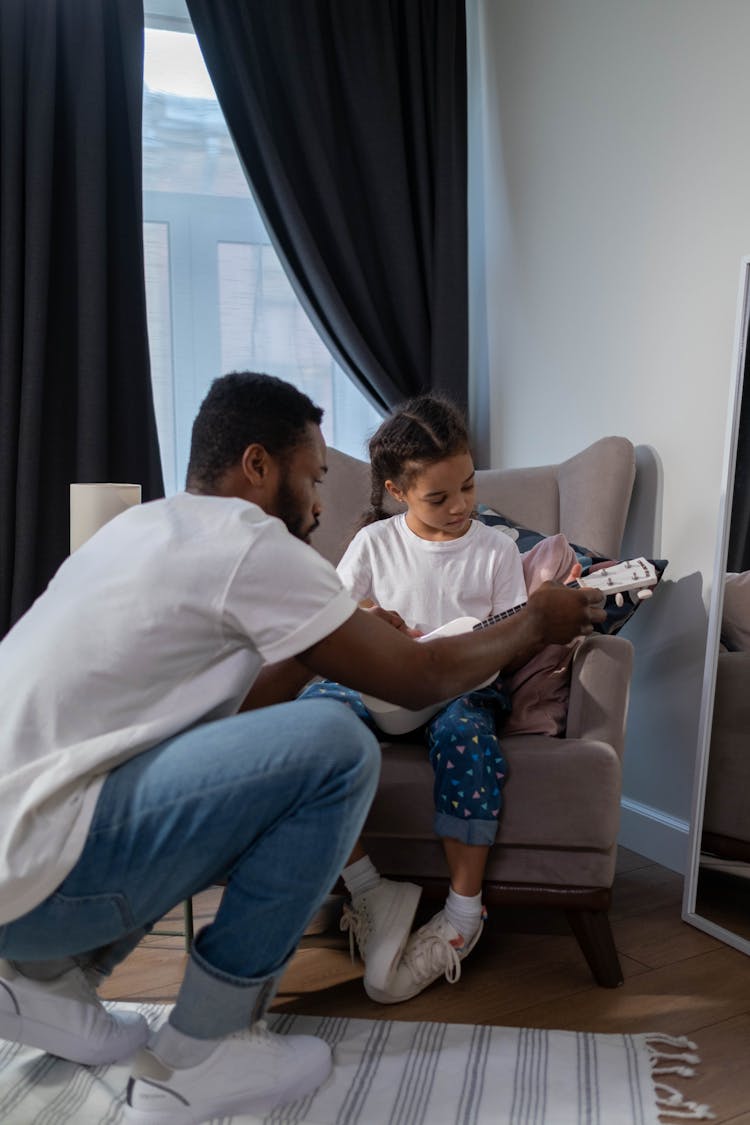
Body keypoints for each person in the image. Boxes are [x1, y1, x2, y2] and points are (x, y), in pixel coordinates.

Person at [0, 373, 604, 1124]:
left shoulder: (138, 529)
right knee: (335, 744)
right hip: (44, 876)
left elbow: (235, 731)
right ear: (258, 465)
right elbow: (418, 678)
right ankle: (207, 1053)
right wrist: (536, 620)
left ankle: (40, 976)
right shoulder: (247, 542)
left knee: (252, 748)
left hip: (18, 882)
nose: (321, 504)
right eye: (314, 475)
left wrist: (332, 643)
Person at [299, 394, 562, 1004]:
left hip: (460, 694)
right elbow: (331, 623)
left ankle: (464, 917)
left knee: (465, 735)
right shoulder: (373, 544)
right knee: (312, 726)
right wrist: (372, 622)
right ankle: (368, 889)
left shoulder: (496, 550)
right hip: (380, 686)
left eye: (467, 487)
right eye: (438, 498)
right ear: (397, 491)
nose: (461, 506)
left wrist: (496, 639)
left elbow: (512, 642)